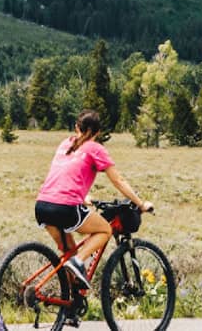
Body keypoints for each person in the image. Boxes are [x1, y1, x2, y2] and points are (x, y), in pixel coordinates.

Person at [35, 111, 150, 291]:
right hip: (65, 207)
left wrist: (83, 197)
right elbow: (118, 180)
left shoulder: (66, 144)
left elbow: (66, 174)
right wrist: (141, 203)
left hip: (42, 205)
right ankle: (79, 262)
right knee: (105, 230)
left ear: (76, 127)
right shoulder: (95, 148)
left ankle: (70, 306)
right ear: (98, 132)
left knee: (68, 253)